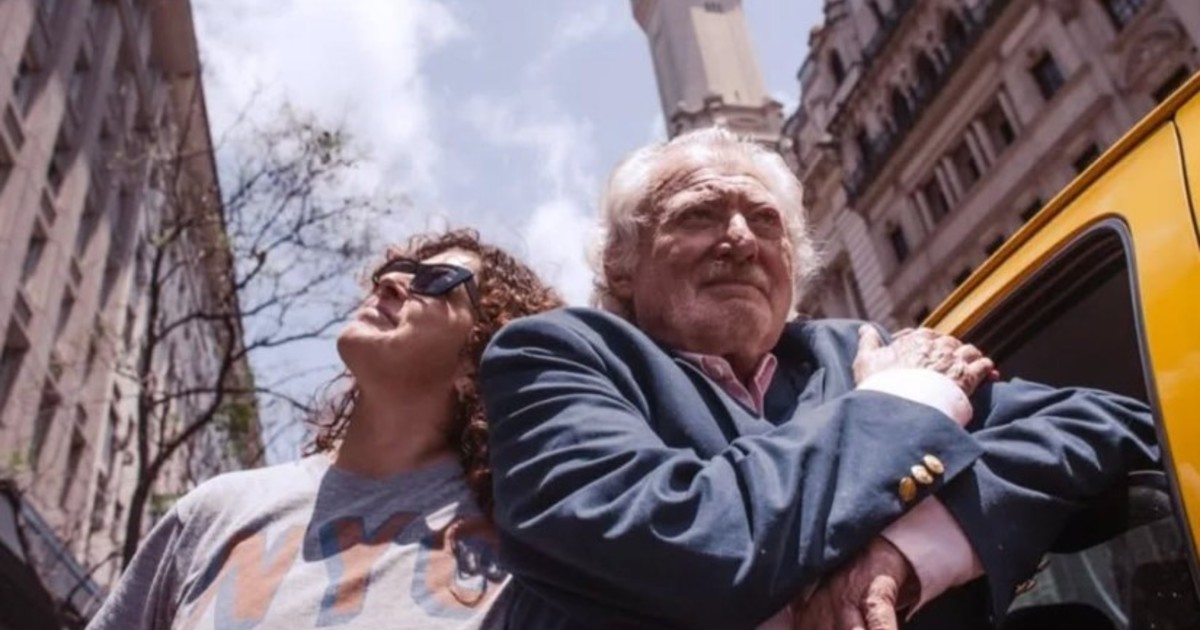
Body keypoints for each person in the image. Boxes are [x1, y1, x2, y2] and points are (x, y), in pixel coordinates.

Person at [479, 128, 1160, 630]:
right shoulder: (556, 357)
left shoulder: (858, 350)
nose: (741, 239)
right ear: (622, 264)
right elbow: (680, 543)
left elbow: (1109, 426)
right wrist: (899, 404)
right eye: (699, 214)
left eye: (765, 221)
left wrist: (912, 549)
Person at [88, 229, 562, 629]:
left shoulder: (519, 569)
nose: (391, 281)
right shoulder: (216, 512)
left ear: (483, 359)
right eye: (396, 268)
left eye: (435, 280)